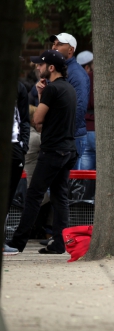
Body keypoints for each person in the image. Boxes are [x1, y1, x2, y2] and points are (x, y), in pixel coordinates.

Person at [7, 50, 77, 254]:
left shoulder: (52, 90)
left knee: (34, 195)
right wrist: (40, 95)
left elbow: (36, 119)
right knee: (60, 196)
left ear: (51, 68)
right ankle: (59, 243)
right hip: (68, 150)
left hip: (53, 150)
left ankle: (18, 242)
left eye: (41, 65)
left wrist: (41, 97)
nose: (37, 68)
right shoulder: (69, 88)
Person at [50, 33, 89, 169]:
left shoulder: (76, 74)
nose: (54, 47)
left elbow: (80, 106)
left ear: (70, 50)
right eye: (54, 44)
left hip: (70, 137)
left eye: (59, 44)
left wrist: (66, 134)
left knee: (68, 183)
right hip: (60, 136)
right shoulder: (57, 70)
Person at [4, 80, 31, 256]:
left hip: (14, 146)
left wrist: (23, 146)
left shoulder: (18, 87)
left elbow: (24, 118)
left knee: (8, 195)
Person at [76, 50, 95, 170]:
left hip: (84, 129)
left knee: (84, 173)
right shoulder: (93, 78)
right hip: (97, 128)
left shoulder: (77, 80)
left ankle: (82, 190)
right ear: (88, 66)